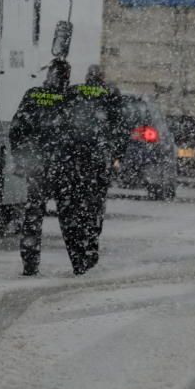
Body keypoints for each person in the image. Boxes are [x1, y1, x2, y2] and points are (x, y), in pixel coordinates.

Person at [9, 59, 73, 276]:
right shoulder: (70, 99)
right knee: (69, 216)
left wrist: (20, 158)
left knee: (33, 215)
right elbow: (78, 134)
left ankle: (30, 261)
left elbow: (16, 128)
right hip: (63, 166)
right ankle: (78, 261)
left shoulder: (33, 95)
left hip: (36, 165)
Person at [61, 64, 126, 272]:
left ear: (87, 77)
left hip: (73, 161)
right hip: (98, 162)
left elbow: (61, 123)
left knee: (71, 208)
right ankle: (90, 246)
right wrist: (117, 155)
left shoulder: (74, 92)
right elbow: (120, 128)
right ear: (102, 78)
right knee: (94, 206)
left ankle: (76, 254)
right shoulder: (110, 94)